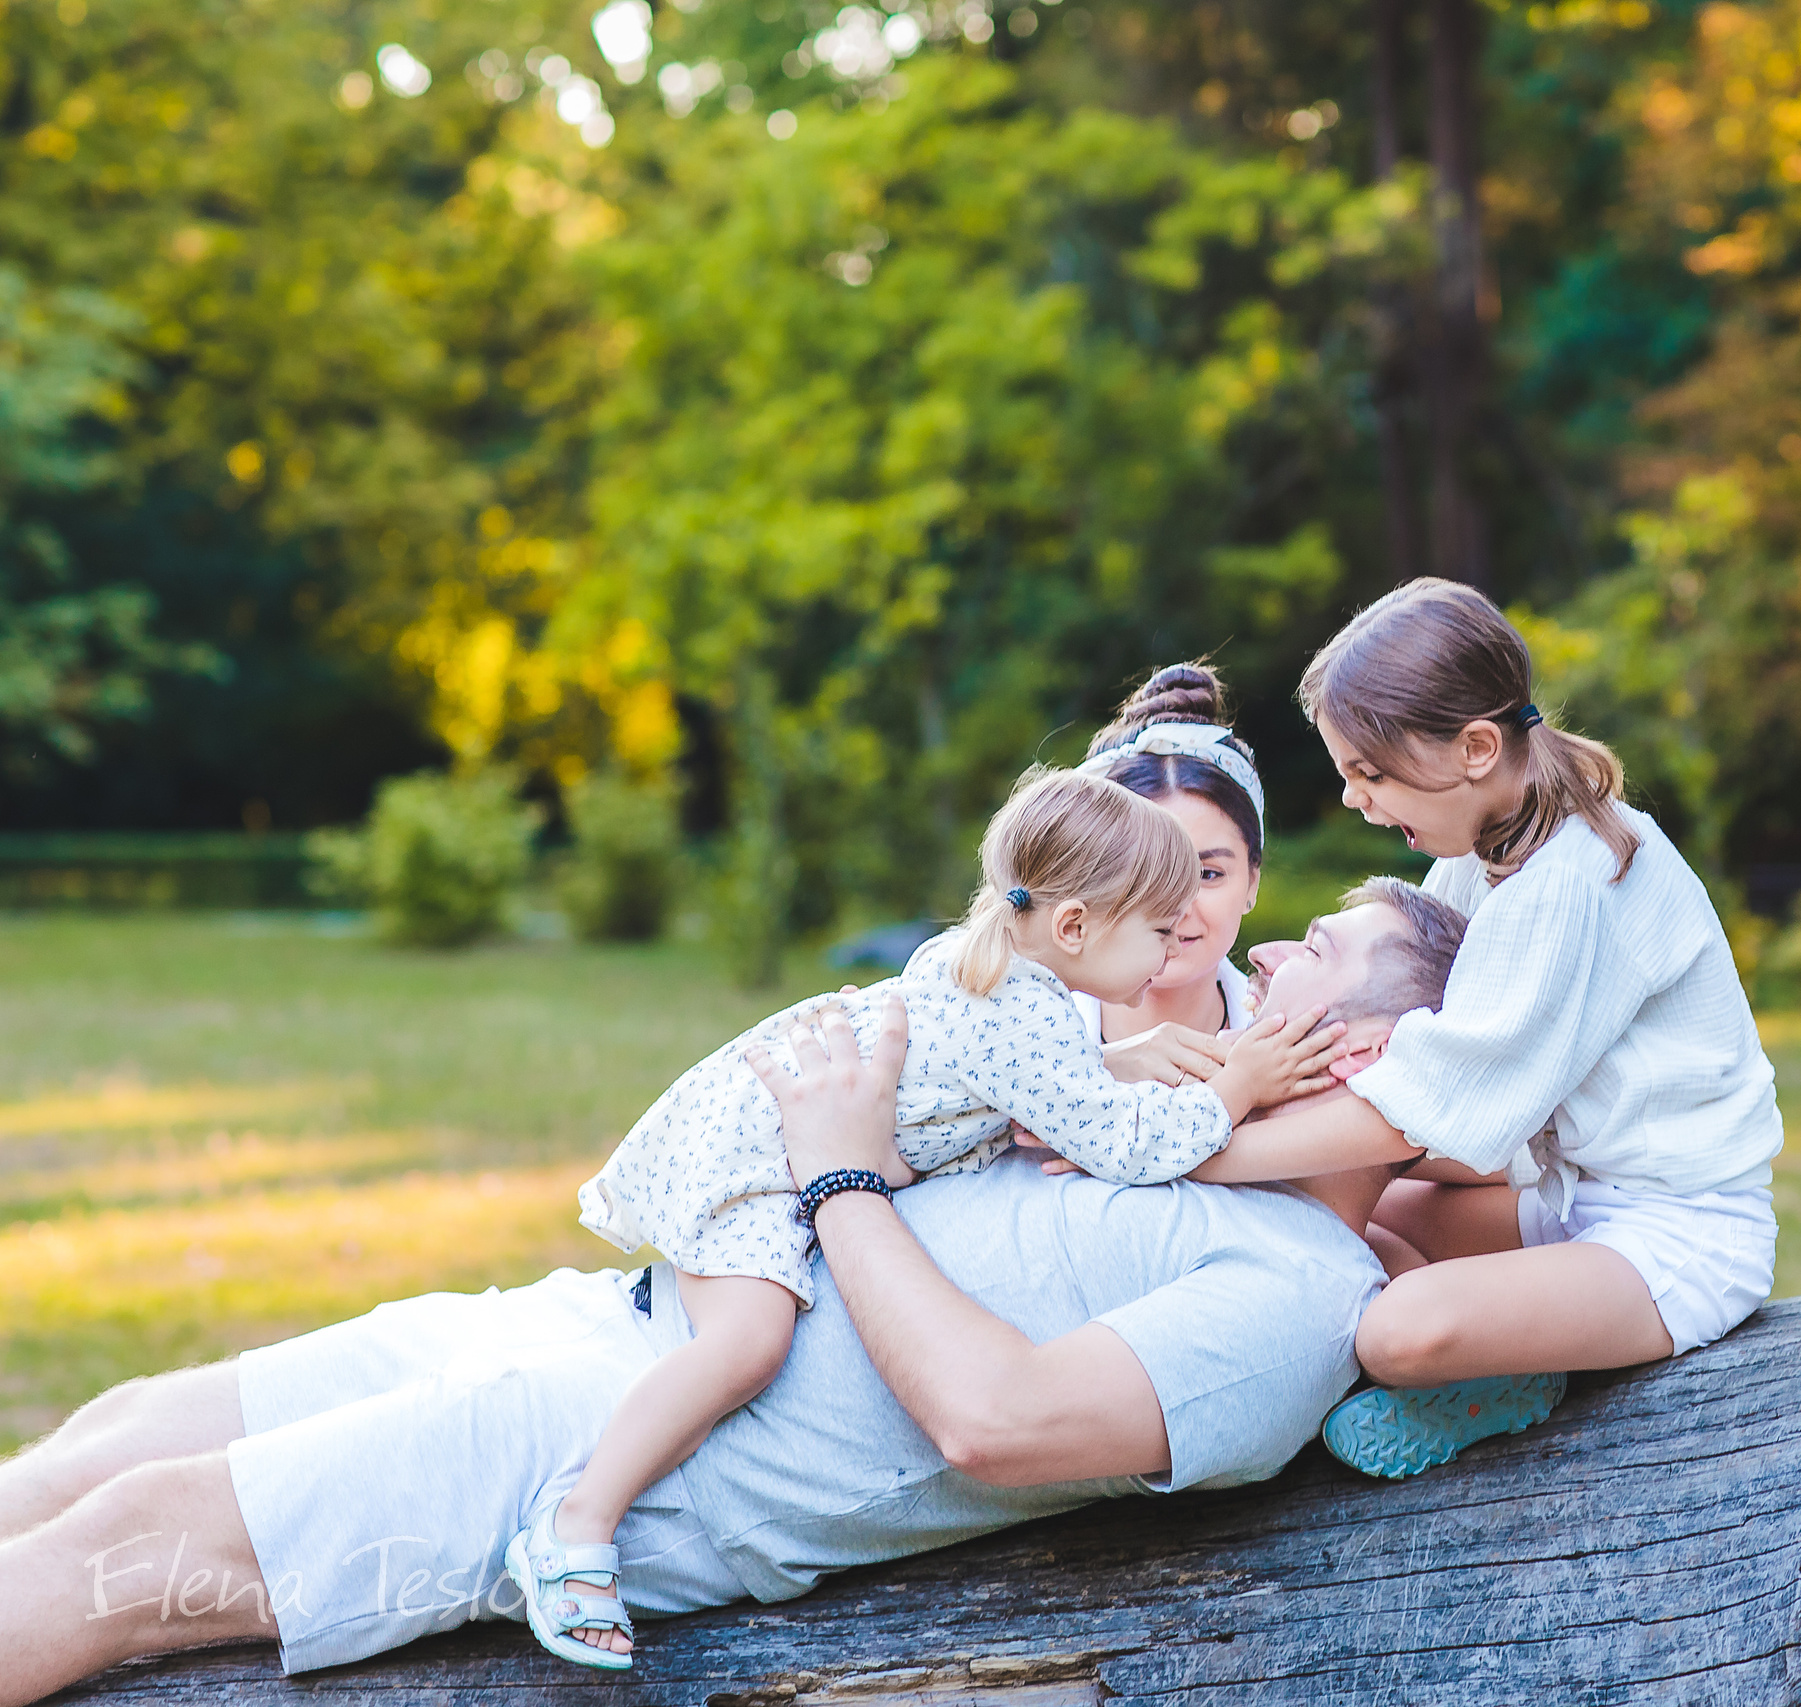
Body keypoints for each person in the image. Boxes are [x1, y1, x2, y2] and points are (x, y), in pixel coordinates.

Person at [0, 884, 1463, 1703]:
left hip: (643, 1465)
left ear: (1364, 1053)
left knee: (134, 1543)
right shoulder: (1198, 1149)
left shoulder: (1292, 1294)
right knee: (111, 1434)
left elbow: (997, 1420)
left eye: (1317, 951)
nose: (1265, 949)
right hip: (620, 1314)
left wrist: (841, 1176)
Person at [526, 767, 1342, 1667]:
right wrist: (1238, 1087)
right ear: (1075, 926)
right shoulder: (1019, 1013)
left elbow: (1040, 1089)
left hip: (774, 1126)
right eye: (1156, 928)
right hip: (760, 1157)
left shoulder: (996, 966)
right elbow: (1127, 1146)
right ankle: (577, 1524)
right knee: (746, 1343)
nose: (1171, 945)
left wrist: (1128, 1062)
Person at [1186, 577, 1784, 1480]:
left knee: (1397, 1329)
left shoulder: (1573, 881)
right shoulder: (1484, 857)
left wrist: (1206, 1148)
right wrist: (1224, 1075)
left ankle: (1502, 1370)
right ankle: (1500, 1329)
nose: (1353, 799)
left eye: (1371, 773)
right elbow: (1395, 1036)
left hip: (1677, 1237)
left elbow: (1418, 1110)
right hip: (1566, 1198)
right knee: (1350, 1209)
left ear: (1475, 748)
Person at [1071, 663, 1268, 1077]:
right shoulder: (1006, 1037)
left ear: (1252, 881)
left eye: (1208, 874)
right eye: (1143, 873)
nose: (1176, 909)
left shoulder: (1292, 1041)